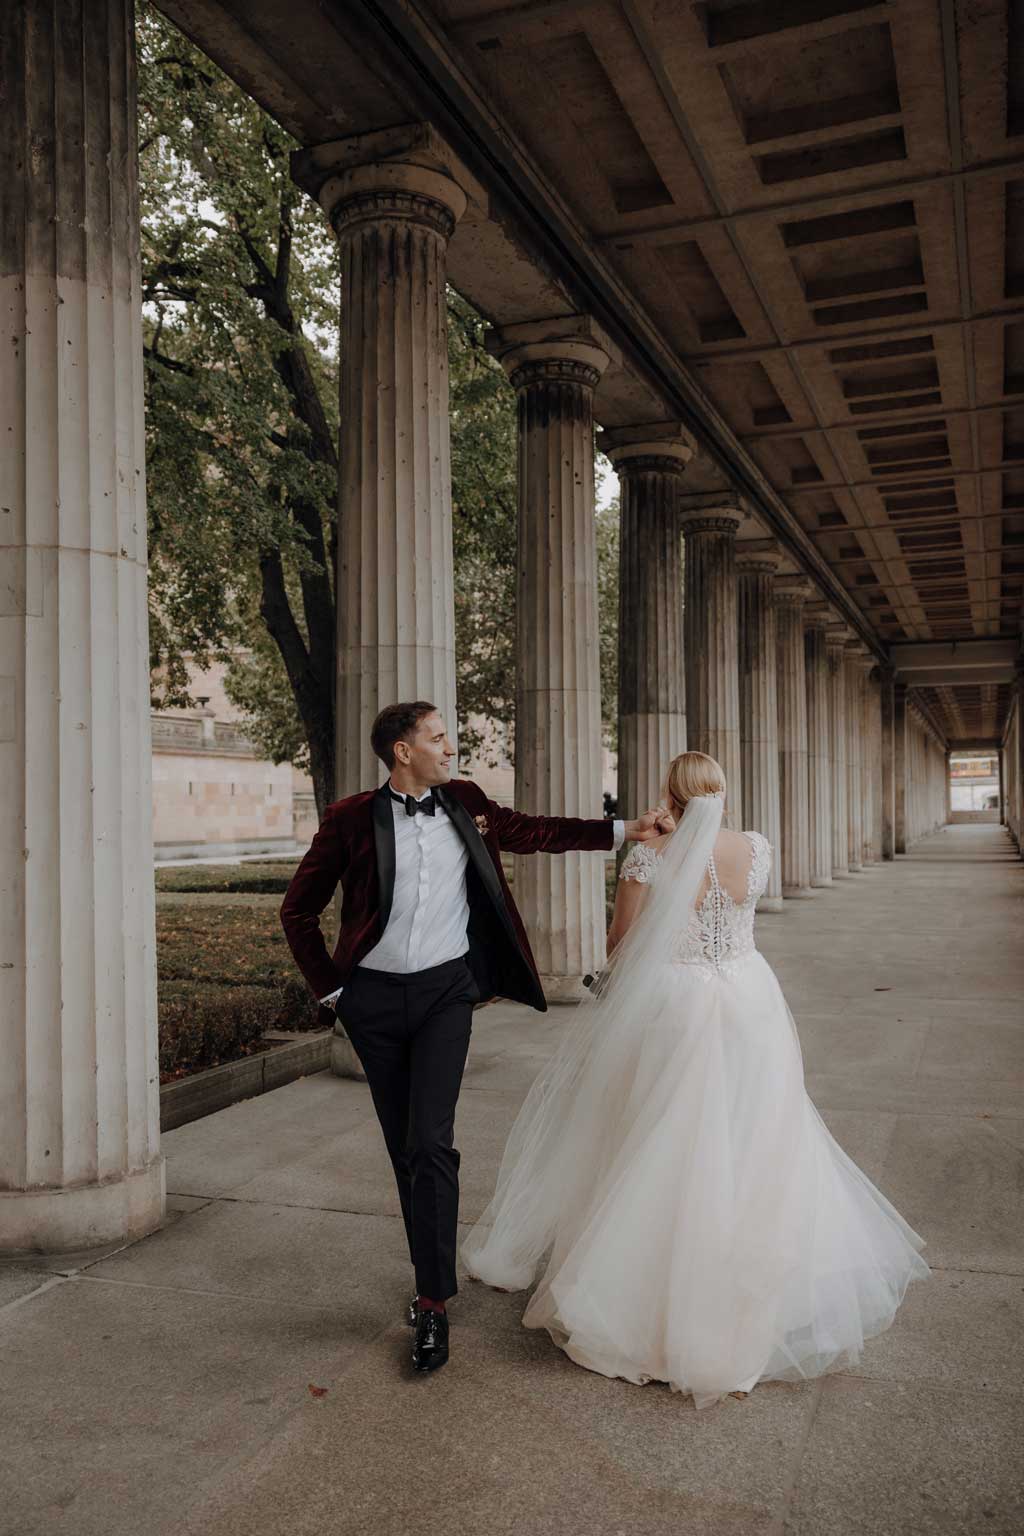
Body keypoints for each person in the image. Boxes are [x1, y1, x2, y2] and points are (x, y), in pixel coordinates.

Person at [462, 750, 931, 1409]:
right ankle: (750, 1286)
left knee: (658, 1134)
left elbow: (622, 943)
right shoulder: (757, 849)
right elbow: (736, 919)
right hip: (750, 998)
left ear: (669, 797)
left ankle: (646, 1298)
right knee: (757, 1132)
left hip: (677, 1003)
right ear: (721, 793)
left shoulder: (652, 856)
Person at [279, 700, 666, 1375]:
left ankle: (432, 1302)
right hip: (371, 999)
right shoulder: (348, 819)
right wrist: (335, 993)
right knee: (407, 1147)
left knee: (431, 1140)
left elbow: (534, 830)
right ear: (403, 751)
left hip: (444, 996)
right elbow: (298, 910)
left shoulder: (463, 801)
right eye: (437, 738)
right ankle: (429, 1264)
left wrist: (629, 827)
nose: (450, 748)